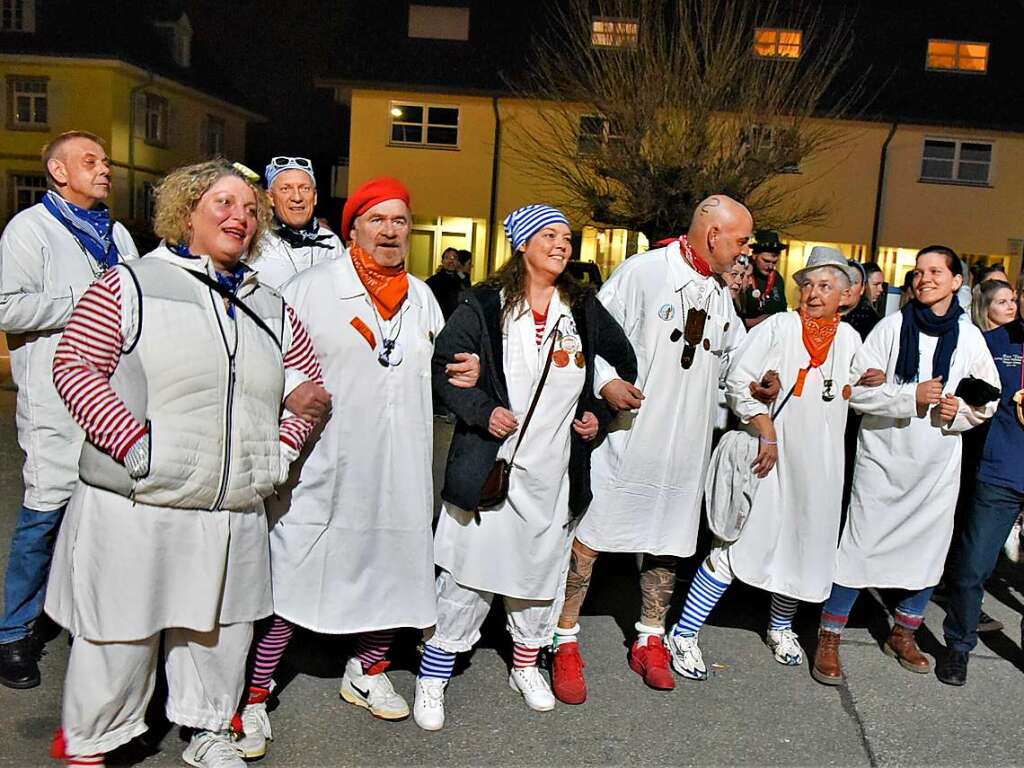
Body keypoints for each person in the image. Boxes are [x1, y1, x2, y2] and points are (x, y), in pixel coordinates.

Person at [44, 159, 328, 768]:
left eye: (252, 209)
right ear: (186, 212)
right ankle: (94, 741)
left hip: (230, 505)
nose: (241, 218)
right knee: (120, 631)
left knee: (221, 630)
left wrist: (278, 452)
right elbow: (75, 366)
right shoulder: (131, 284)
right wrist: (134, 445)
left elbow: (310, 388)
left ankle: (208, 733)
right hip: (140, 500)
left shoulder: (270, 304)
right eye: (224, 204)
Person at [233, 177, 478, 757]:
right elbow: (269, 359)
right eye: (378, 220)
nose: (391, 232)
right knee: (295, 574)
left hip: (399, 466)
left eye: (401, 222)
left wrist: (458, 377)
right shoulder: (310, 288)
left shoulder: (421, 297)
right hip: (328, 461)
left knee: (393, 567)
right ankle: (254, 693)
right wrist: (292, 391)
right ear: (354, 229)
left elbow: (433, 371)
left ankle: (367, 669)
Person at [413, 204, 636, 731]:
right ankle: (433, 675)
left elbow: (622, 362)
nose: (562, 244)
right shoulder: (486, 304)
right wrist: (480, 410)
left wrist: (597, 415)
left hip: (552, 474)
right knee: (468, 576)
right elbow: (443, 369)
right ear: (522, 243)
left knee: (538, 577)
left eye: (566, 237)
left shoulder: (581, 307)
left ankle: (526, 666)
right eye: (550, 235)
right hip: (494, 469)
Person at [550, 195, 758, 704]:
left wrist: (759, 390)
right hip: (630, 436)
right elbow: (587, 336)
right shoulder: (642, 273)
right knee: (592, 537)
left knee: (668, 541)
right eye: (741, 240)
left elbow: (729, 360)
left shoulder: (717, 292)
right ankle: (564, 639)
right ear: (713, 236)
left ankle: (650, 637)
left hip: (685, 443)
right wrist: (605, 384)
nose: (746, 250)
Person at [666, 248, 869, 676]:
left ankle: (781, 626)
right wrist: (765, 425)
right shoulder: (779, 326)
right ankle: (684, 632)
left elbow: (863, 391)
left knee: (801, 544)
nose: (813, 294)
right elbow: (738, 380)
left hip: (820, 467)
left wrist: (893, 388)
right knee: (736, 544)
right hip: (769, 457)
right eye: (808, 285)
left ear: (845, 295)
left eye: (824, 286)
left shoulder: (849, 339)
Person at [812, 246, 999, 686]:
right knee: (859, 549)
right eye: (919, 271)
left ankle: (904, 631)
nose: (924, 278)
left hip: (936, 463)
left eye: (936, 271)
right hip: (884, 459)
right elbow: (853, 392)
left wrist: (960, 411)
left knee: (927, 550)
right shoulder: (891, 327)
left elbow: (986, 398)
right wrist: (907, 397)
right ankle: (829, 636)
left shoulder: (970, 337)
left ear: (957, 282)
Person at [0, 131, 138, 690]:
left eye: (104, 161)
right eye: (91, 161)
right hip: (54, 397)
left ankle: (90, 620)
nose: (105, 169)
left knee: (105, 510)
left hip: (111, 395)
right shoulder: (29, 230)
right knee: (46, 509)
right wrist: (89, 297)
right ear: (58, 171)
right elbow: (7, 305)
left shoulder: (118, 232)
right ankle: (13, 632)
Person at [939, 281, 1024, 685]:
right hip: (1001, 471)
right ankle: (958, 646)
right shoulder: (993, 342)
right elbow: (964, 389)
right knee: (973, 568)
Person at [247, 156, 344, 290]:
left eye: (305, 189)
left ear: (315, 197)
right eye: (286, 189)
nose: (297, 198)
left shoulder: (331, 244)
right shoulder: (254, 241)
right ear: (270, 198)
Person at [738, 229, 788, 328]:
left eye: (774, 262)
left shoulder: (777, 279)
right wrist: (757, 322)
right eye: (766, 261)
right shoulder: (740, 274)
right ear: (755, 255)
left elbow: (783, 311)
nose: (770, 267)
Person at [841, 260, 880, 341]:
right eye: (843, 281)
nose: (847, 287)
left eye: (854, 282)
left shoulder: (871, 322)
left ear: (862, 289)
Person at [425, 247, 467, 320]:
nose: (451, 260)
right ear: (442, 261)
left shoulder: (461, 279)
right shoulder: (433, 281)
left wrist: (460, 272)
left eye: (454, 258)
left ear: (458, 262)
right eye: (447, 257)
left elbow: (467, 287)